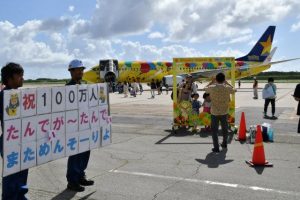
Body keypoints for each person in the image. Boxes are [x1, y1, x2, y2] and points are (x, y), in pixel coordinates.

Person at [1, 62, 29, 200]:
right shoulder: (4, 97)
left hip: (22, 140)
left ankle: (19, 195)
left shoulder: (20, 95)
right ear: (9, 79)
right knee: (12, 174)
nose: (22, 78)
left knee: (22, 170)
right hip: (9, 142)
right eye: (19, 76)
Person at [66, 59, 94, 192]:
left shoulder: (84, 86)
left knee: (85, 151)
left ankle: (81, 175)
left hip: (84, 125)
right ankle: (72, 181)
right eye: (78, 70)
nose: (81, 72)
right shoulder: (68, 88)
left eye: (82, 69)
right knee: (75, 154)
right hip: (73, 127)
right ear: (71, 71)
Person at [205, 73, 235, 153]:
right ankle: (224, 143)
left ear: (216, 79)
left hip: (214, 112)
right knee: (225, 129)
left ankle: (216, 147)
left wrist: (211, 82)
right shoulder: (227, 88)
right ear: (224, 79)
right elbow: (234, 90)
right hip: (224, 111)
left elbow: (205, 88)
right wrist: (228, 83)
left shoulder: (211, 88)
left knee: (214, 130)